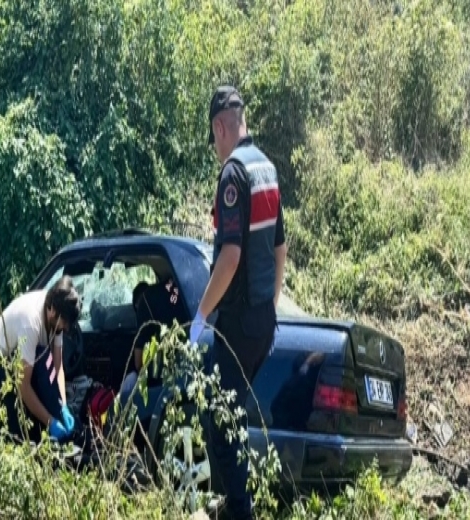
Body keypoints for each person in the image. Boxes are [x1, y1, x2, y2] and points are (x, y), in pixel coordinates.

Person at [189, 85, 288, 520]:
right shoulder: (266, 168)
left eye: (214, 139)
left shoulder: (234, 173)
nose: (215, 148)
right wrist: (272, 302)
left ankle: (239, 512)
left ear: (219, 127)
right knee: (233, 416)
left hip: (238, 321)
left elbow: (229, 257)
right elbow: (280, 245)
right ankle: (235, 504)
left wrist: (201, 313)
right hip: (263, 319)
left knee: (219, 417)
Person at [0, 276, 82, 444]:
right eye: (63, 324)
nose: (65, 329)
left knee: (52, 408)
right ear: (51, 310)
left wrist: (63, 406)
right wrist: (50, 422)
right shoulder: (30, 324)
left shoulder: (57, 313)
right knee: (19, 435)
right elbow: (23, 385)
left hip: (31, 360)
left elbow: (58, 369)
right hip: (2, 366)